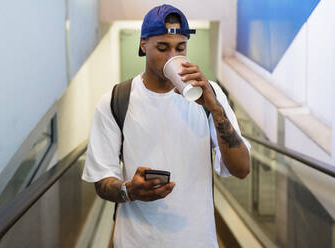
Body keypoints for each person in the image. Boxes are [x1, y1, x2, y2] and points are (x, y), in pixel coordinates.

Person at [82, 4, 250, 248]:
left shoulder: (211, 95)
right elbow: (102, 181)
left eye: (180, 48)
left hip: (197, 240)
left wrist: (215, 108)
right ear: (143, 45)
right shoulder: (114, 101)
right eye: (163, 48)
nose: (173, 57)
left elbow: (242, 168)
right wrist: (129, 190)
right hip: (135, 241)